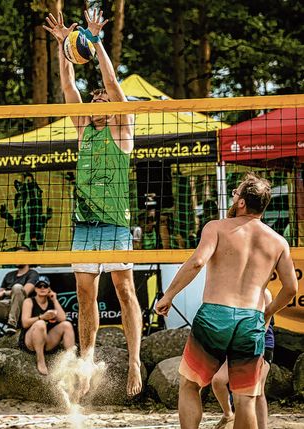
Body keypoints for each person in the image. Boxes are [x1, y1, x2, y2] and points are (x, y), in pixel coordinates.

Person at [44, 8, 142, 396]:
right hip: (85, 224)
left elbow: (112, 83)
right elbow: (69, 87)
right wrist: (63, 49)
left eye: (101, 96)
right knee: (86, 295)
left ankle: (135, 361)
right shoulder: (85, 130)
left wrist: (97, 42)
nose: (97, 97)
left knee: (125, 290)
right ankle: (86, 362)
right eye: (96, 95)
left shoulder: (122, 130)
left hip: (116, 223)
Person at [155, 173, 298, 429]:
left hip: (215, 314)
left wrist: (169, 295)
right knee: (245, 398)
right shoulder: (278, 242)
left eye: (235, 193)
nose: (232, 196)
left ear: (242, 202)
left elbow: (197, 262)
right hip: (251, 319)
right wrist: (267, 312)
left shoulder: (216, 227)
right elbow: (291, 288)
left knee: (190, 384)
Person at [211, 289, 275, 429]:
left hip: (261, 344)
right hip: (237, 345)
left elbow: (264, 326)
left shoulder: (264, 293)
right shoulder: (230, 291)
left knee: (257, 391)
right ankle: (228, 415)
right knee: (218, 381)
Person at [19, 276, 75, 375]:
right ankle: (40, 360)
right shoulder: (29, 301)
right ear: (35, 289)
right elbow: (25, 323)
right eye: (39, 286)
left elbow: (62, 319)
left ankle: (71, 359)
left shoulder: (51, 302)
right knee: (40, 324)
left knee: (67, 325)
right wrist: (42, 317)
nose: (42, 288)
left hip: (46, 341)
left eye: (45, 286)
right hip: (30, 341)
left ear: (49, 289)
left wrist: (54, 300)